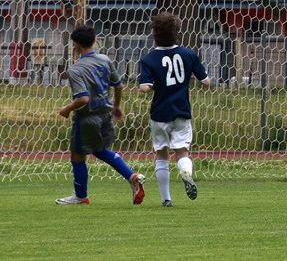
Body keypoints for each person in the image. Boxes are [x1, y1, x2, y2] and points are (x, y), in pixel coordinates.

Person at [55, 25, 146, 205]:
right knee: (100, 150)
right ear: (94, 40)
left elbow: (83, 98)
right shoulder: (105, 60)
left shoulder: (76, 69)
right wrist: (117, 106)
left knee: (77, 155)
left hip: (87, 118)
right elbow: (118, 85)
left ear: (76, 45)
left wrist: (67, 108)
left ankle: (80, 196)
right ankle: (132, 177)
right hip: (105, 115)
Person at [138, 12, 211, 207]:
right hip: (181, 111)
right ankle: (185, 171)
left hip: (159, 113)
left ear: (154, 34)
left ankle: (166, 199)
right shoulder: (188, 54)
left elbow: (144, 87)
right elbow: (206, 82)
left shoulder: (149, 59)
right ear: (177, 33)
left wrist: (151, 84)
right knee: (182, 152)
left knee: (161, 155)